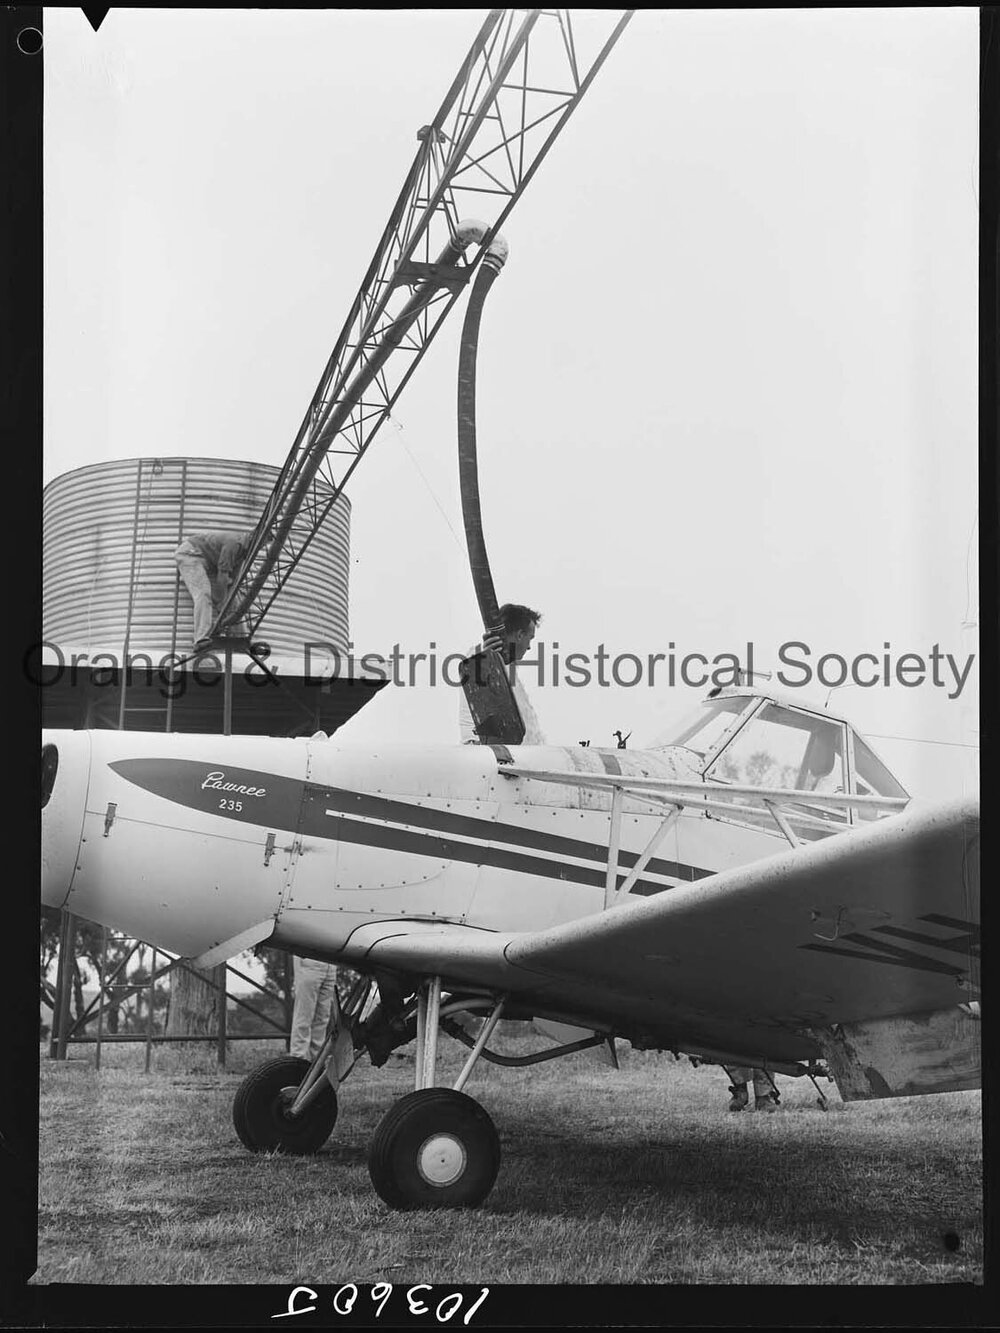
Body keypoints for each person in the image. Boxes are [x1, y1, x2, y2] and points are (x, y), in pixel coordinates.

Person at [458, 602, 545, 745]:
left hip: (504, 750)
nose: (529, 646)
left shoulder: (508, 665)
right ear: (520, 635)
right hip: (484, 749)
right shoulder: (478, 656)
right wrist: (486, 658)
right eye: (530, 638)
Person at [173, 529, 254, 650]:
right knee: (203, 593)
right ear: (253, 538)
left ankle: (241, 638)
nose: (261, 548)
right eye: (262, 544)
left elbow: (231, 581)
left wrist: (225, 601)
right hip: (191, 554)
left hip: (210, 563)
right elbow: (223, 576)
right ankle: (201, 638)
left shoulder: (244, 553)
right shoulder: (234, 543)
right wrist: (222, 603)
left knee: (231, 599)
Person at [289, 956, 340, 1063]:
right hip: (309, 961)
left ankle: (316, 1064)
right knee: (304, 1017)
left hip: (330, 963)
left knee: (322, 1018)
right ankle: (297, 1063)